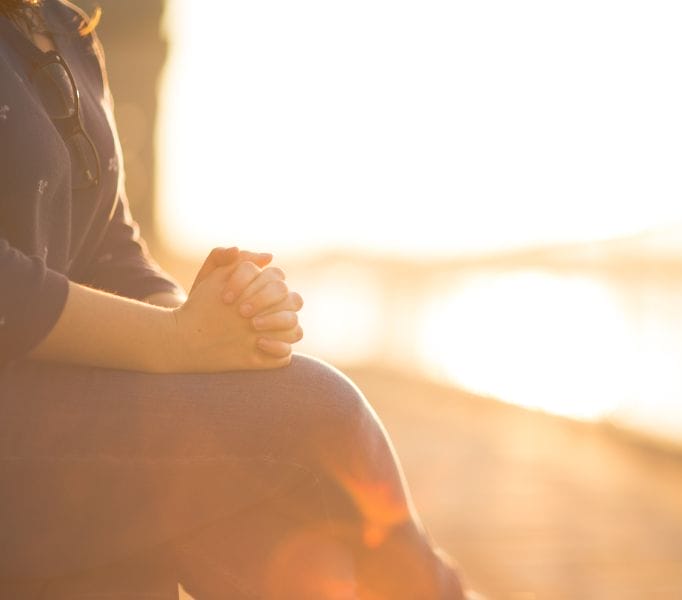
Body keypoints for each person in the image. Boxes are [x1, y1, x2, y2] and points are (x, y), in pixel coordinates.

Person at [0, 1, 476, 598]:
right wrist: (177, 342)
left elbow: (109, 246)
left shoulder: (62, 28)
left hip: (58, 396)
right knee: (317, 413)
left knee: (248, 509)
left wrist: (206, 319)